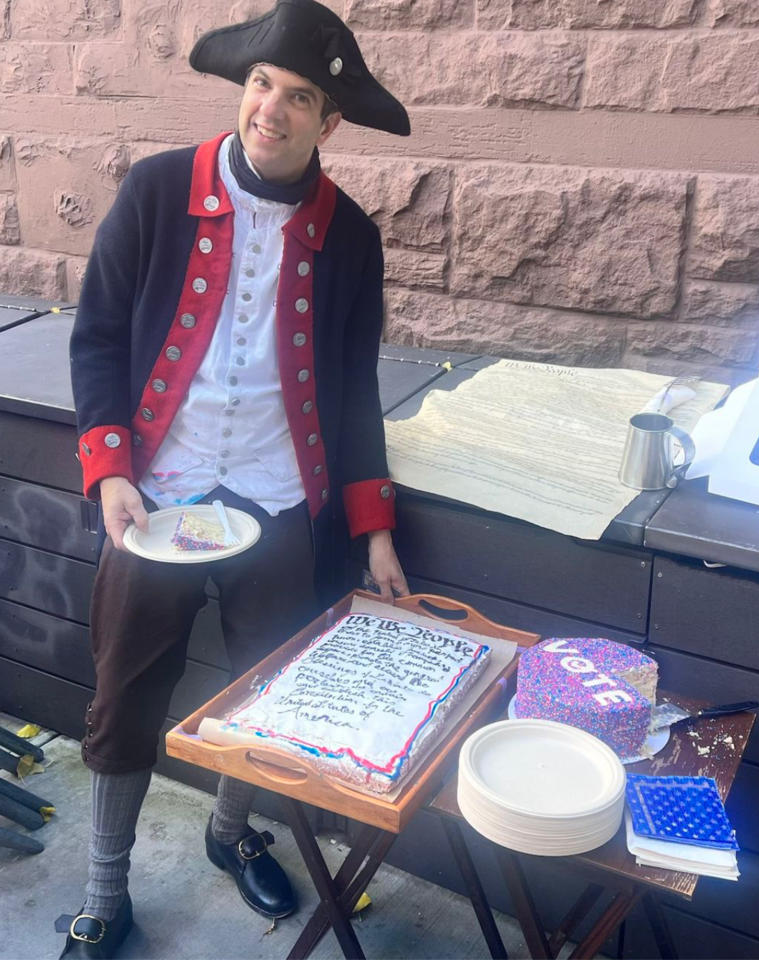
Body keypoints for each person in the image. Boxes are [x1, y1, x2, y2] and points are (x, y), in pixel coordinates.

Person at [60, 1, 410, 955]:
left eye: (301, 97)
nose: (274, 109)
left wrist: (373, 526)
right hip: (157, 494)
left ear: (330, 122)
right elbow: (94, 340)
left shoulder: (355, 237)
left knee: (272, 692)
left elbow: (351, 388)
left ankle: (227, 832)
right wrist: (109, 472)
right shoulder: (155, 189)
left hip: (280, 492)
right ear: (241, 89)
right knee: (125, 691)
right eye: (262, 85)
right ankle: (104, 886)